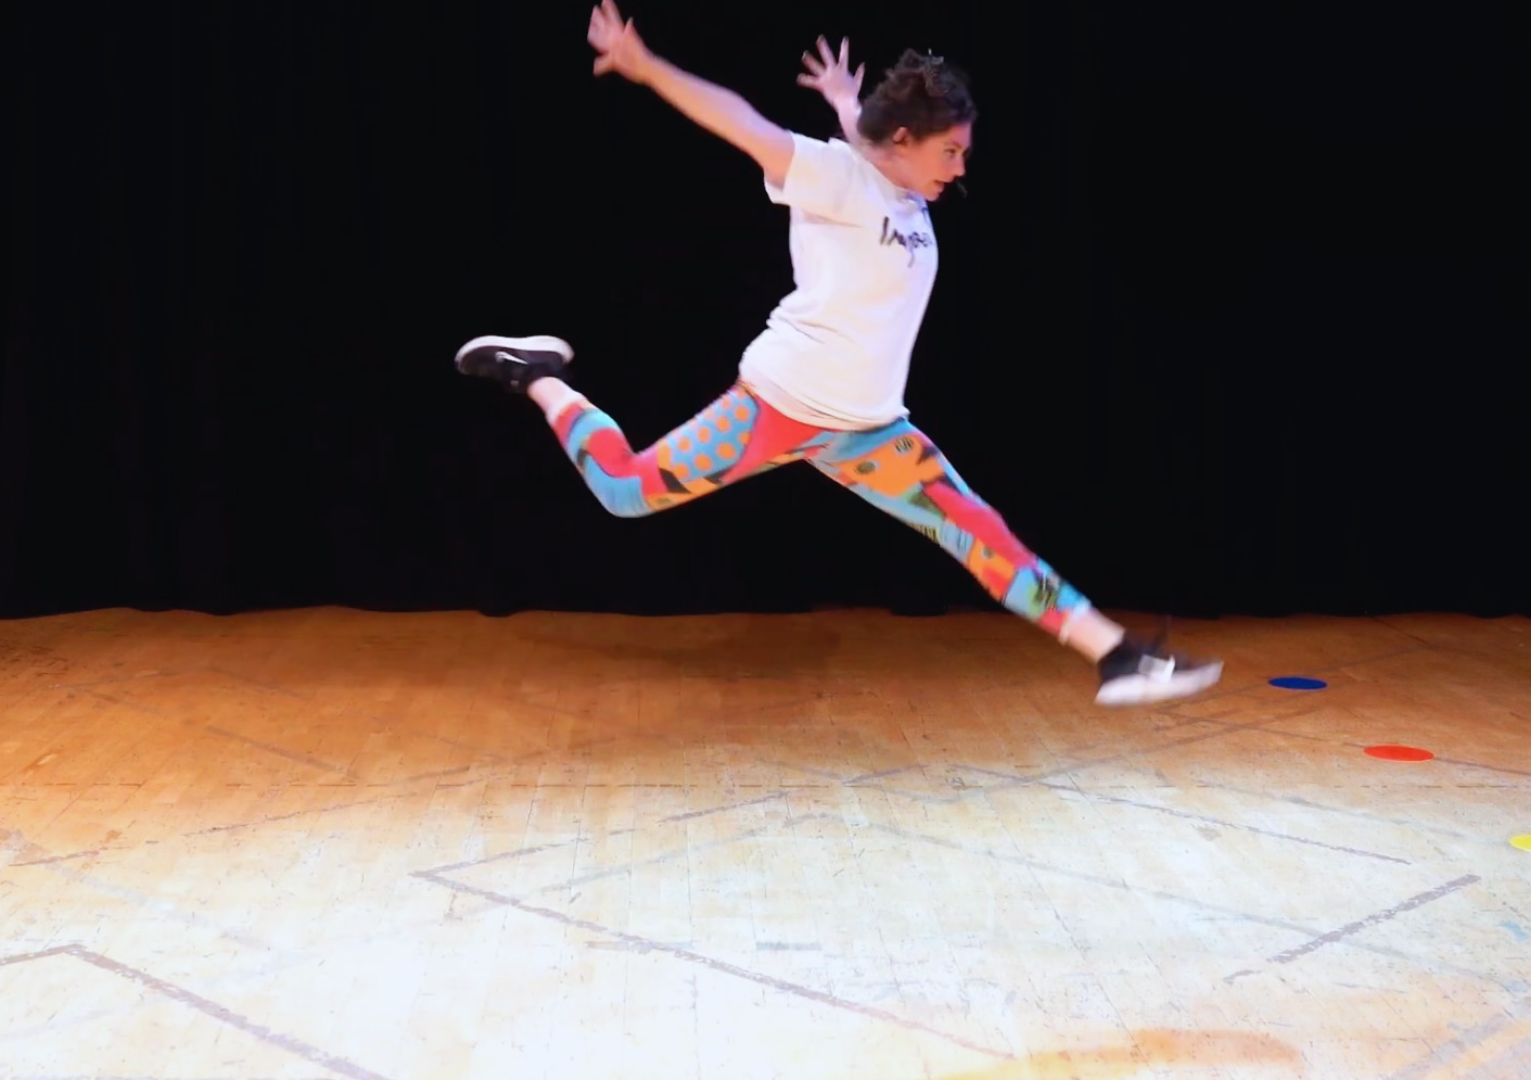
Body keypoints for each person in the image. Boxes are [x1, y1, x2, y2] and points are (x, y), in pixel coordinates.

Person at [454, 1, 1223, 706]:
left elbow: (869, 145)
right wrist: (646, 63)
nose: (958, 168)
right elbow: (743, 123)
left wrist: (846, 99)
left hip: (869, 431)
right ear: (904, 142)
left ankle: (1116, 656)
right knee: (623, 491)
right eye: (949, 151)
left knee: (979, 530)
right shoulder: (833, 176)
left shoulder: (898, 182)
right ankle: (540, 379)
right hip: (779, 408)